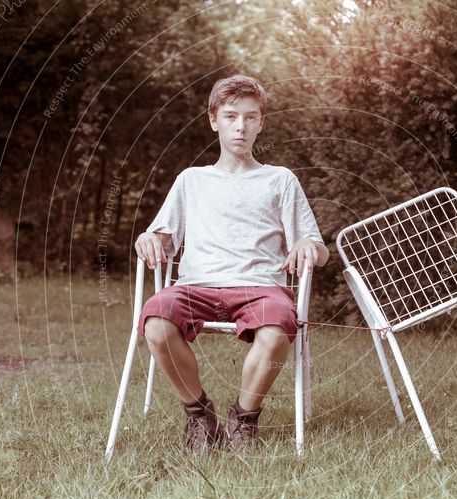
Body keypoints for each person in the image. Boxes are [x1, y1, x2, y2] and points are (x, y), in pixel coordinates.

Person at [134, 74, 329, 454]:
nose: (241, 126)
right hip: (196, 285)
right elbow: (162, 236)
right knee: (156, 323)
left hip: (261, 287)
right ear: (213, 120)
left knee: (276, 329)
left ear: (261, 123)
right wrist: (148, 237)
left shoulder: (280, 180)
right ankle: (198, 414)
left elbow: (318, 250)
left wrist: (308, 244)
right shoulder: (192, 180)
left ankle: (243, 417)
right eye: (230, 116)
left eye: (250, 117)